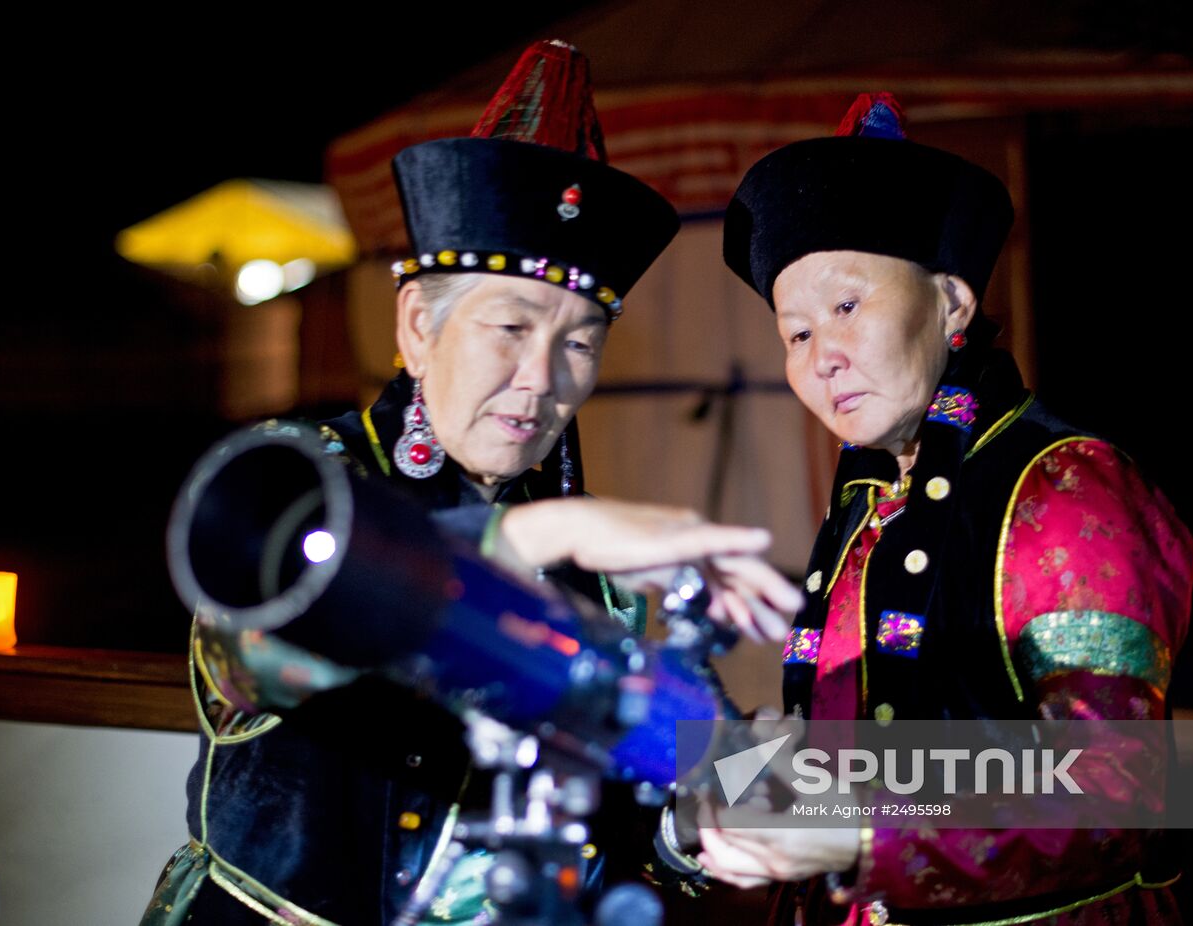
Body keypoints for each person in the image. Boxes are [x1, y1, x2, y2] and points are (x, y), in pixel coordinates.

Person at [141, 41, 799, 926]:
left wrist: (729, 810)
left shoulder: (601, 577)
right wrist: (525, 542)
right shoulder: (300, 481)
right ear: (418, 327)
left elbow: (645, 803)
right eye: (510, 326)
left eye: (578, 343)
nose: (541, 378)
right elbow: (262, 650)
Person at [687, 92, 1193, 925]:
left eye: (848, 307)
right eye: (797, 333)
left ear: (952, 305)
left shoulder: (1065, 491)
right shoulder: (874, 494)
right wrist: (733, 778)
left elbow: (1116, 791)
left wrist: (861, 838)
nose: (824, 359)